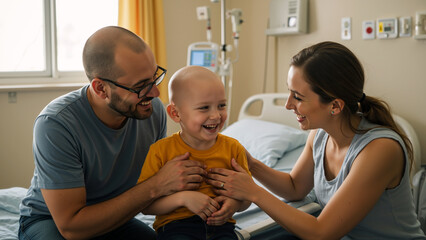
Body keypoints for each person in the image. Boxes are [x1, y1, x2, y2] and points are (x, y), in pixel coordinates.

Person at [207, 41, 426, 239]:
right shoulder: (320, 135)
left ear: (335, 106)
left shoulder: (380, 150)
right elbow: (294, 188)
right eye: (289, 93)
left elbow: (321, 233)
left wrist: (253, 192)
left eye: (298, 97)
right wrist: (250, 163)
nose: (288, 105)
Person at [18, 26, 209, 240]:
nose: (155, 93)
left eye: (154, 77)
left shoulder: (152, 112)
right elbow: (71, 226)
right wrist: (156, 185)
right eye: (141, 86)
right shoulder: (56, 125)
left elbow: (163, 185)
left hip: (116, 218)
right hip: (51, 221)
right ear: (101, 89)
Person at [138, 65, 251, 240]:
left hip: (222, 227)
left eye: (221, 105)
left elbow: (247, 197)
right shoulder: (161, 151)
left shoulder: (233, 148)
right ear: (175, 113)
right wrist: (183, 199)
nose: (216, 115)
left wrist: (235, 204)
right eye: (204, 108)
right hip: (177, 229)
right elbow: (146, 206)